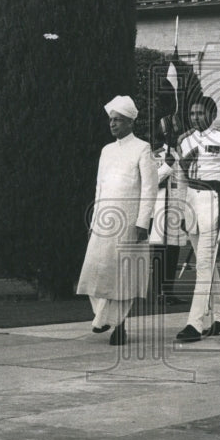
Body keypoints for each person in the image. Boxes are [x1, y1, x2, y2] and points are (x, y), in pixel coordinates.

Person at [74, 96, 156, 347]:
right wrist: (94, 219)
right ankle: (104, 317)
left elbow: (150, 188)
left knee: (124, 277)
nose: (113, 124)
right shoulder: (106, 150)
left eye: (118, 120)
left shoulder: (142, 148)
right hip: (103, 221)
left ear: (130, 123)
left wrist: (143, 222)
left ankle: (117, 325)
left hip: (129, 222)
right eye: (111, 120)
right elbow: (100, 187)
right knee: (95, 273)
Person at [176, 96, 220, 342]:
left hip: (214, 203)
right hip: (192, 205)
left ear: (212, 115)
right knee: (207, 265)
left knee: (204, 265)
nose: (195, 117)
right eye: (192, 113)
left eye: (200, 113)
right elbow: (181, 179)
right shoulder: (184, 141)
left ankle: (194, 323)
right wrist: (180, 210)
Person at [148, 118, 187, 306]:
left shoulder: (184, 152)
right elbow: (151, 182)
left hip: (177, 209)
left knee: (173, 251)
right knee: (160, 252)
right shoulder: (156, 155)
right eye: (171, 132)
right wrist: (167, 165)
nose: (175, 135)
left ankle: (169, 291)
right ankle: (158, 292)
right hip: (160, 210)